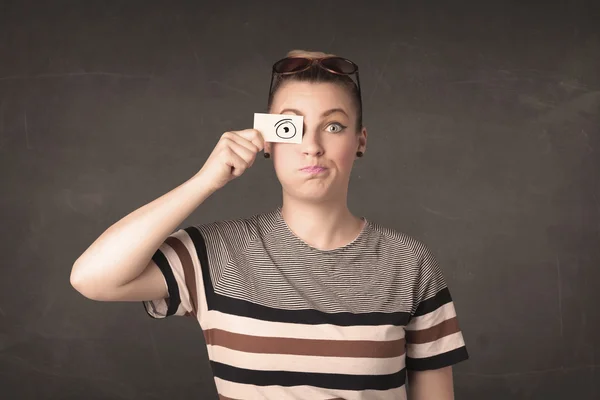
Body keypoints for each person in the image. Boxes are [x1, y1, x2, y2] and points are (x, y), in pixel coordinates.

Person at [70, 49, 469, 400]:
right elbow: (92, 278)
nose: (313, 146)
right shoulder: (218, 253)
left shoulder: (408, 263)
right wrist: (206, 180)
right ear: (267, 141)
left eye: (333, 126)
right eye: (291, 127)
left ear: (360, 141)